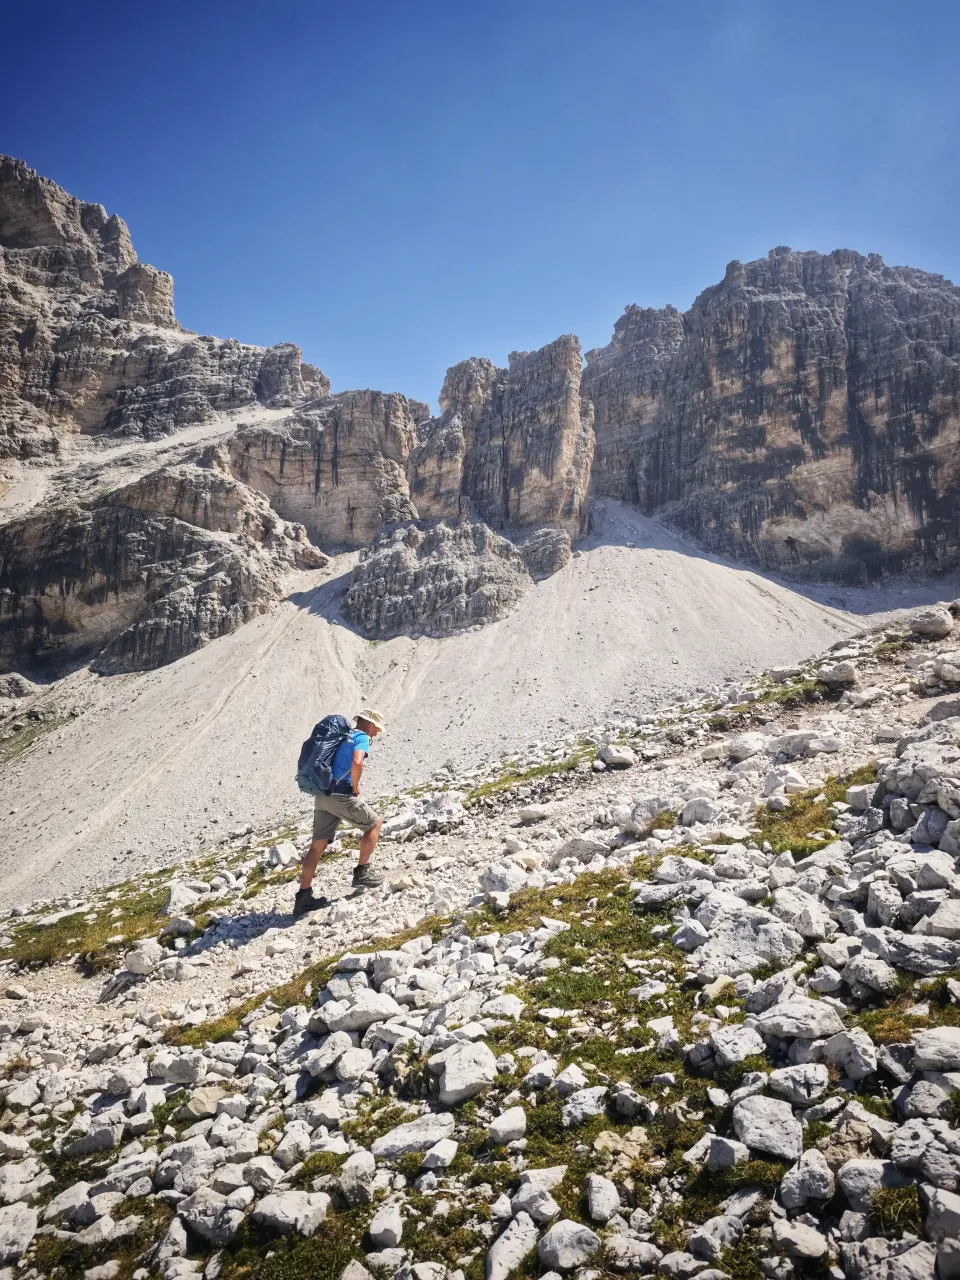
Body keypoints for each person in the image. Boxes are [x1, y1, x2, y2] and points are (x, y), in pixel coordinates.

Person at [293, 708, 386, 917]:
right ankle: (362, 872)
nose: (376, 734)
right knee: (374, 824)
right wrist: (356, 785)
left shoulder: (342, 736)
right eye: (376, 729)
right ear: (369, 725)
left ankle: (303, 897)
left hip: (322, 794)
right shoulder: (361, 737)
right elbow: (357, 762)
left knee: (317, 846)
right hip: (341, 794)